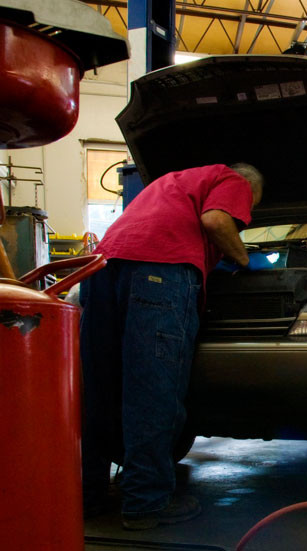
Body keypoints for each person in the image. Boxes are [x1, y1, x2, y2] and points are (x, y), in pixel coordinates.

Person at [80, 163, 265, 530]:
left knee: (97, 388)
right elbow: (215, 221)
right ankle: (146, 502)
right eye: (248, 213)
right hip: (160, 270)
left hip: (102, 268)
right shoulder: (234, 180)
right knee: (152, 388)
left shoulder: (171, 182)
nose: (244, 216)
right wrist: (243, 259)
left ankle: (88, 496)